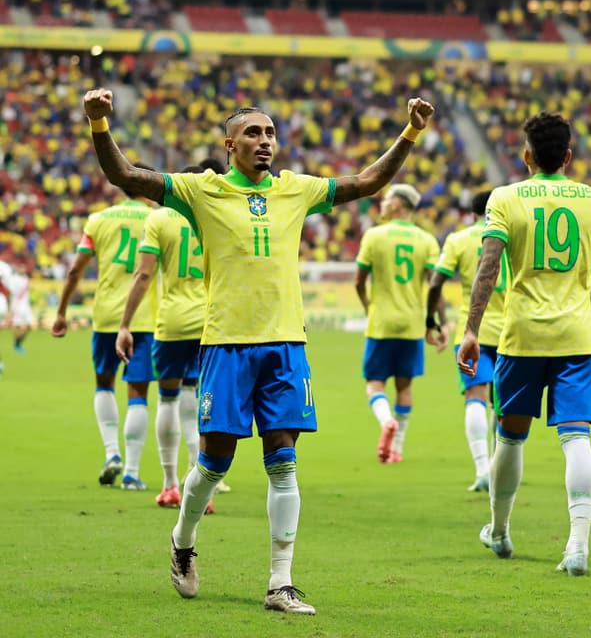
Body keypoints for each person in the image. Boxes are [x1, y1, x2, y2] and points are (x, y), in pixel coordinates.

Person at [82, 86, 434, 614]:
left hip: (286, 344)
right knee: (215, 462)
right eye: (253, 132)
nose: (265, 140)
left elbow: (367, 181)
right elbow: (127, 176)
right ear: (229, 144)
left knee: (283, 462)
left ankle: (280, 583)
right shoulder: (202, 191)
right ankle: (182, 542)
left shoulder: (297, 189)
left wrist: (409, 132)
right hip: (226, 344)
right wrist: (99, 125)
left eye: (270, 132)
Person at [456, 112, 591, 577]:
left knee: (509, 433)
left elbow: (488, 268)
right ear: (568, 156)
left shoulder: (505, 198)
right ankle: (577, 546)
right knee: (576, 437)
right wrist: (583, 301)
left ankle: (500, 531)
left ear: (526, 156)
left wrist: (471, 330)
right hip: (576, 336)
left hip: (521, 335)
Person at [116, 161, 227, 514]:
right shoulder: (216, 217)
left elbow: (144, 276)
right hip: (211, 322)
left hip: (173, 323)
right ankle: (202, 489)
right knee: (196, 402)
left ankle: (169, 485)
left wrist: (125, 324)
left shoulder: (160, 219)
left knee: (166, 400)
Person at [51, 174, 158, 491]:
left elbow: (75, 270)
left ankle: (112, 453)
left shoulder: (99, 219)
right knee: (138, 392)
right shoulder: (158, 219)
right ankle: (132, 473)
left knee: (104, 383)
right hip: (143, 317)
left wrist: (61, 312)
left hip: (106, 317)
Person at [355, 184, 441, 464]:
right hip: (412, 324)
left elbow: (359, 281)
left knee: (374, 384)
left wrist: (369, 307)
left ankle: (386, 420)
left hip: (381, 323)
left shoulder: (374, 236)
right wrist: (436, 323)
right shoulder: (427, 240)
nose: (381, 203)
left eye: (387, 199)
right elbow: (434, 284)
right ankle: (397, 449)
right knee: (404, 387)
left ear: (397, 205)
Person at [427, 190, 506, 491]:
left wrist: (431, 320)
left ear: (471, 212)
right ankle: (500, 470)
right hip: (511, 332)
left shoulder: (458, 240)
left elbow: (436, 283)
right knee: (504, 406)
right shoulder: (511, 236)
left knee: (475, 395)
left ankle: (482, 470)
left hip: (471, 332)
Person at [0, 260, 34, 354]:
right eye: (21, 267)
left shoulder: (26, 278)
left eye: (24, 267)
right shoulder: (13, 279)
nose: (23, 269)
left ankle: (18, 342)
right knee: (17, 326)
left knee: (29, 326)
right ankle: (16, 345)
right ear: (18, 268)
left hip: (26, 306)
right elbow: (10, 293)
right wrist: (10, 308)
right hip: (17, 306)